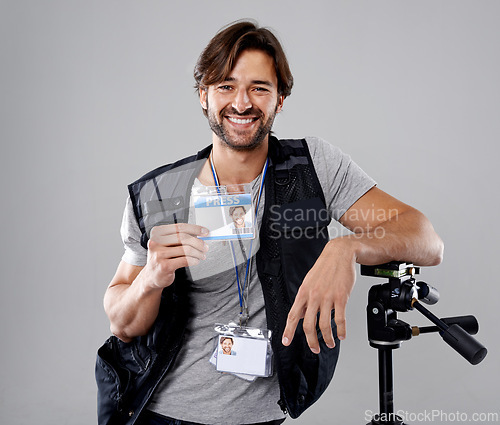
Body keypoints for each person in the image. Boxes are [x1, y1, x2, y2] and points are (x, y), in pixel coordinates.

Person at [97, 20, 444, 425]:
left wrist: (345, 247)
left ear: (280, 99)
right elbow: (122, 324)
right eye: (225, 86)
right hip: (163, 412)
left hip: (261, 417)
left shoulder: (312, 170)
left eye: (259, 87)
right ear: (203, 96)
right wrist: (150, 278)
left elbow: (425, 239)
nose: (241, 103)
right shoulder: (159, 195)